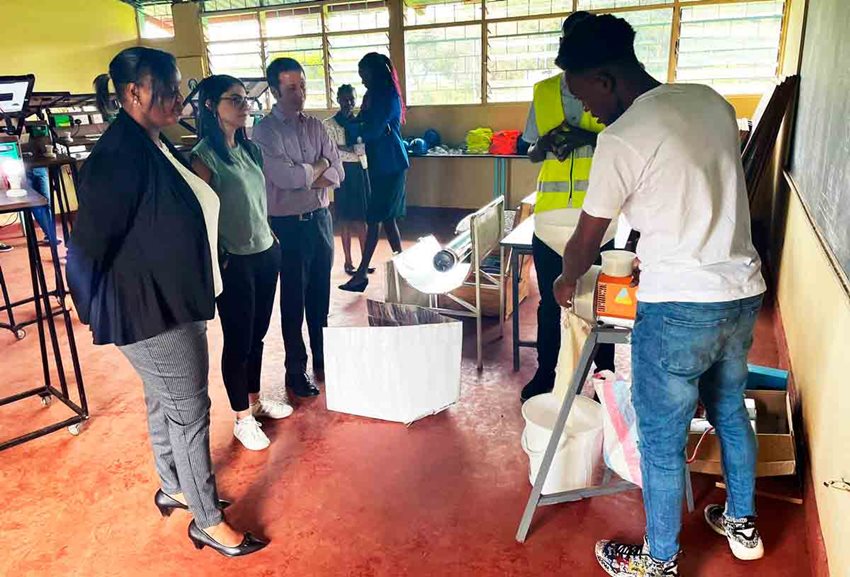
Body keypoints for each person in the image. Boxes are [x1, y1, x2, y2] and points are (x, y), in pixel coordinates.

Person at [551, 14, 767, 576]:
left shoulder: (622, 137)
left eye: (582, 97)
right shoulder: (710, 102)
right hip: (741, 293)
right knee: (728, 409)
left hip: (678, 308)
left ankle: (660, 560)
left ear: (605, 78)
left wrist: (565, 279)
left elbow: (585, 237)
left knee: (662, 437)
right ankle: (742, 522)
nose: (586, 111)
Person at [65, 47, 267, 557]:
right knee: (190, 410)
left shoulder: (154, 142)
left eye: (179, 88)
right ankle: (207, 520)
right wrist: (96, 309)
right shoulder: (119, 157)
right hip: (149, 310)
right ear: (133, 93)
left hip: (171, 298)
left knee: (165, 401)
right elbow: (87, 247)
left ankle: (174, 486)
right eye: (169, 88)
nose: (179, 98)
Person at [190, 75, 292, 452]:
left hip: (265, 252)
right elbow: (201, 217)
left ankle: (254, 400)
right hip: (233, 260)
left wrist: (270, 234)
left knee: (259, 335)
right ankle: (240, 418)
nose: (244, 105)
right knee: (237, 340)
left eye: (245, 99)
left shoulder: (251, 151)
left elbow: (256, 200)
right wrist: (221, 256)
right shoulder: (202, 157)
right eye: (234, 100)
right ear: (210, 106)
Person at [520, 11, 615, 403]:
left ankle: (602, 377)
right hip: (550, 222)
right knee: (550, 301)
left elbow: (624, 142)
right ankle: (547, 371)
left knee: (600, 300)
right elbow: (529, 150)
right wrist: (542, 146)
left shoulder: (610, 94)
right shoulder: (543, 92)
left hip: (599, 220)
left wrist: (585, 136)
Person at [252, 57, 343, 398]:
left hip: (320, 222)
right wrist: (318, 168)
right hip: (287, 227)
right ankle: (295, 370)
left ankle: (323, 356)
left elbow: (339, 173)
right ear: (275, 91)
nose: (299, 94)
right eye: (291, 88)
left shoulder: (316, 127)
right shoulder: (265, 131)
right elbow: (285, 178)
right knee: (293, 301)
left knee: (320, 296)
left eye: (302, 86)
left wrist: (308, 171)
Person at [338, 52, 409, 293]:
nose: (362, 80)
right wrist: (351, 123)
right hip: (381, 163)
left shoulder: (387, 95)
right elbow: (363, 123)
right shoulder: (373, 95)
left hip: (391, 163)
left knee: (374, 217)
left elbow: (373, 130)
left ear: (375, 72)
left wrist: (350, 129)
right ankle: (404, 265)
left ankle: (361, 275)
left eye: (364, 75)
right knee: (387, 218)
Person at [323, 84, 370, 275]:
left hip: (360, 170)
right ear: (338, 99)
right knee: (345, 219)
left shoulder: (362, 121)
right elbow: (331, 149)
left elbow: (368, 145)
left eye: (351, 99)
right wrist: (349, 149)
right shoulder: (330, 124)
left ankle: (365, 262)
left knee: (362, 218)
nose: (348, 103)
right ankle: (348, 261)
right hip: (343, 172)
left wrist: (357, 149)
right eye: (344, 99)